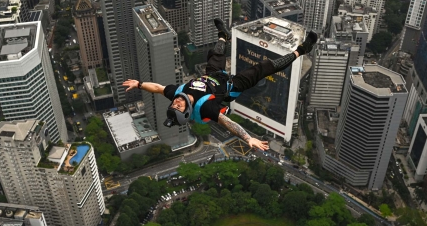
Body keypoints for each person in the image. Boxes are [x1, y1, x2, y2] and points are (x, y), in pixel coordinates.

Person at [123, 19, 317, 151]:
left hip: (213, 76)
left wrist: (139, 84)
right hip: (232, 87)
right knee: (264, 68)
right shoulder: (206, 108)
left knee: (216, 53)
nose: (175, 103)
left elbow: (157, 88)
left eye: (173, 105)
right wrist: (248, 138)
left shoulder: (177, 93)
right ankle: (302, 50)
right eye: (178, 107)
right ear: (187, 111)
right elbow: (228, 124)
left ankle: (224, 34)